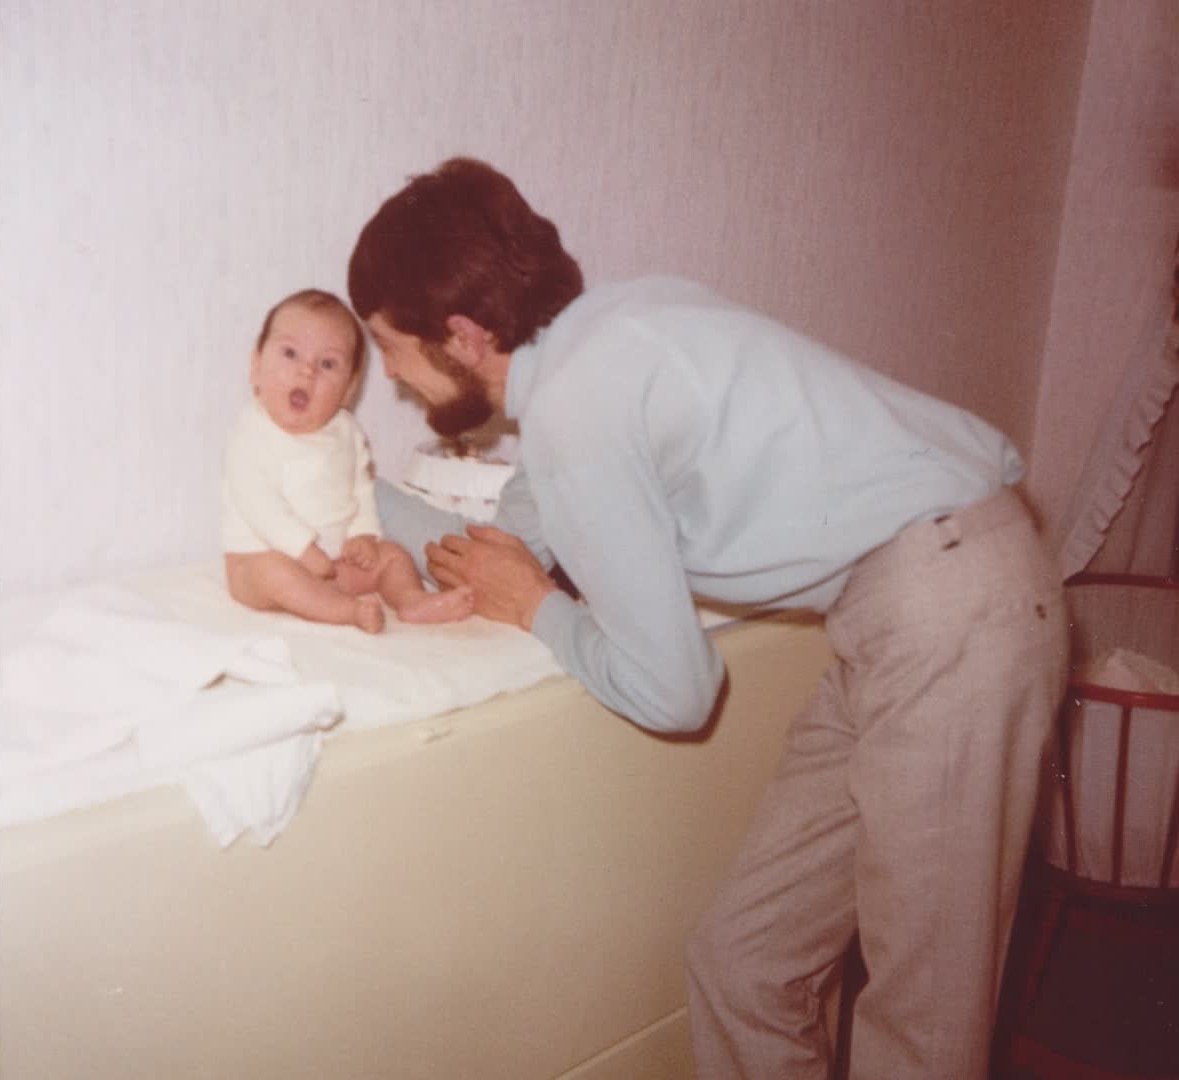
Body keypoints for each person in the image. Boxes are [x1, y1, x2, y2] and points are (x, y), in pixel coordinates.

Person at [347, 158, 1068, 1078]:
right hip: (910, 611)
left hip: (952, 610)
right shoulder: (610, 334)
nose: (393, 377)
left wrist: (535, 609)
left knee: (922, 1025)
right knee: (744, 964)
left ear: (460, 334)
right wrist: (347, 491)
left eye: (392, 346)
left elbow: (675, 693)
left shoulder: (576, 411)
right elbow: (504, 539)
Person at [221, 288, 474, 634]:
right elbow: (258, 502)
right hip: (261, 557)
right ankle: (347, 611)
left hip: (334, 562)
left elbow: (360, 489)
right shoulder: (252, 432)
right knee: (273, 573)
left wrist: (363, 536)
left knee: (393, 556)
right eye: (290, 353)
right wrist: (303, 550)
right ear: (256, 366)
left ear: (349, 388)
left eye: (327, 364)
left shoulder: (347, 432)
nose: (306, 371)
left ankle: (411, 600)